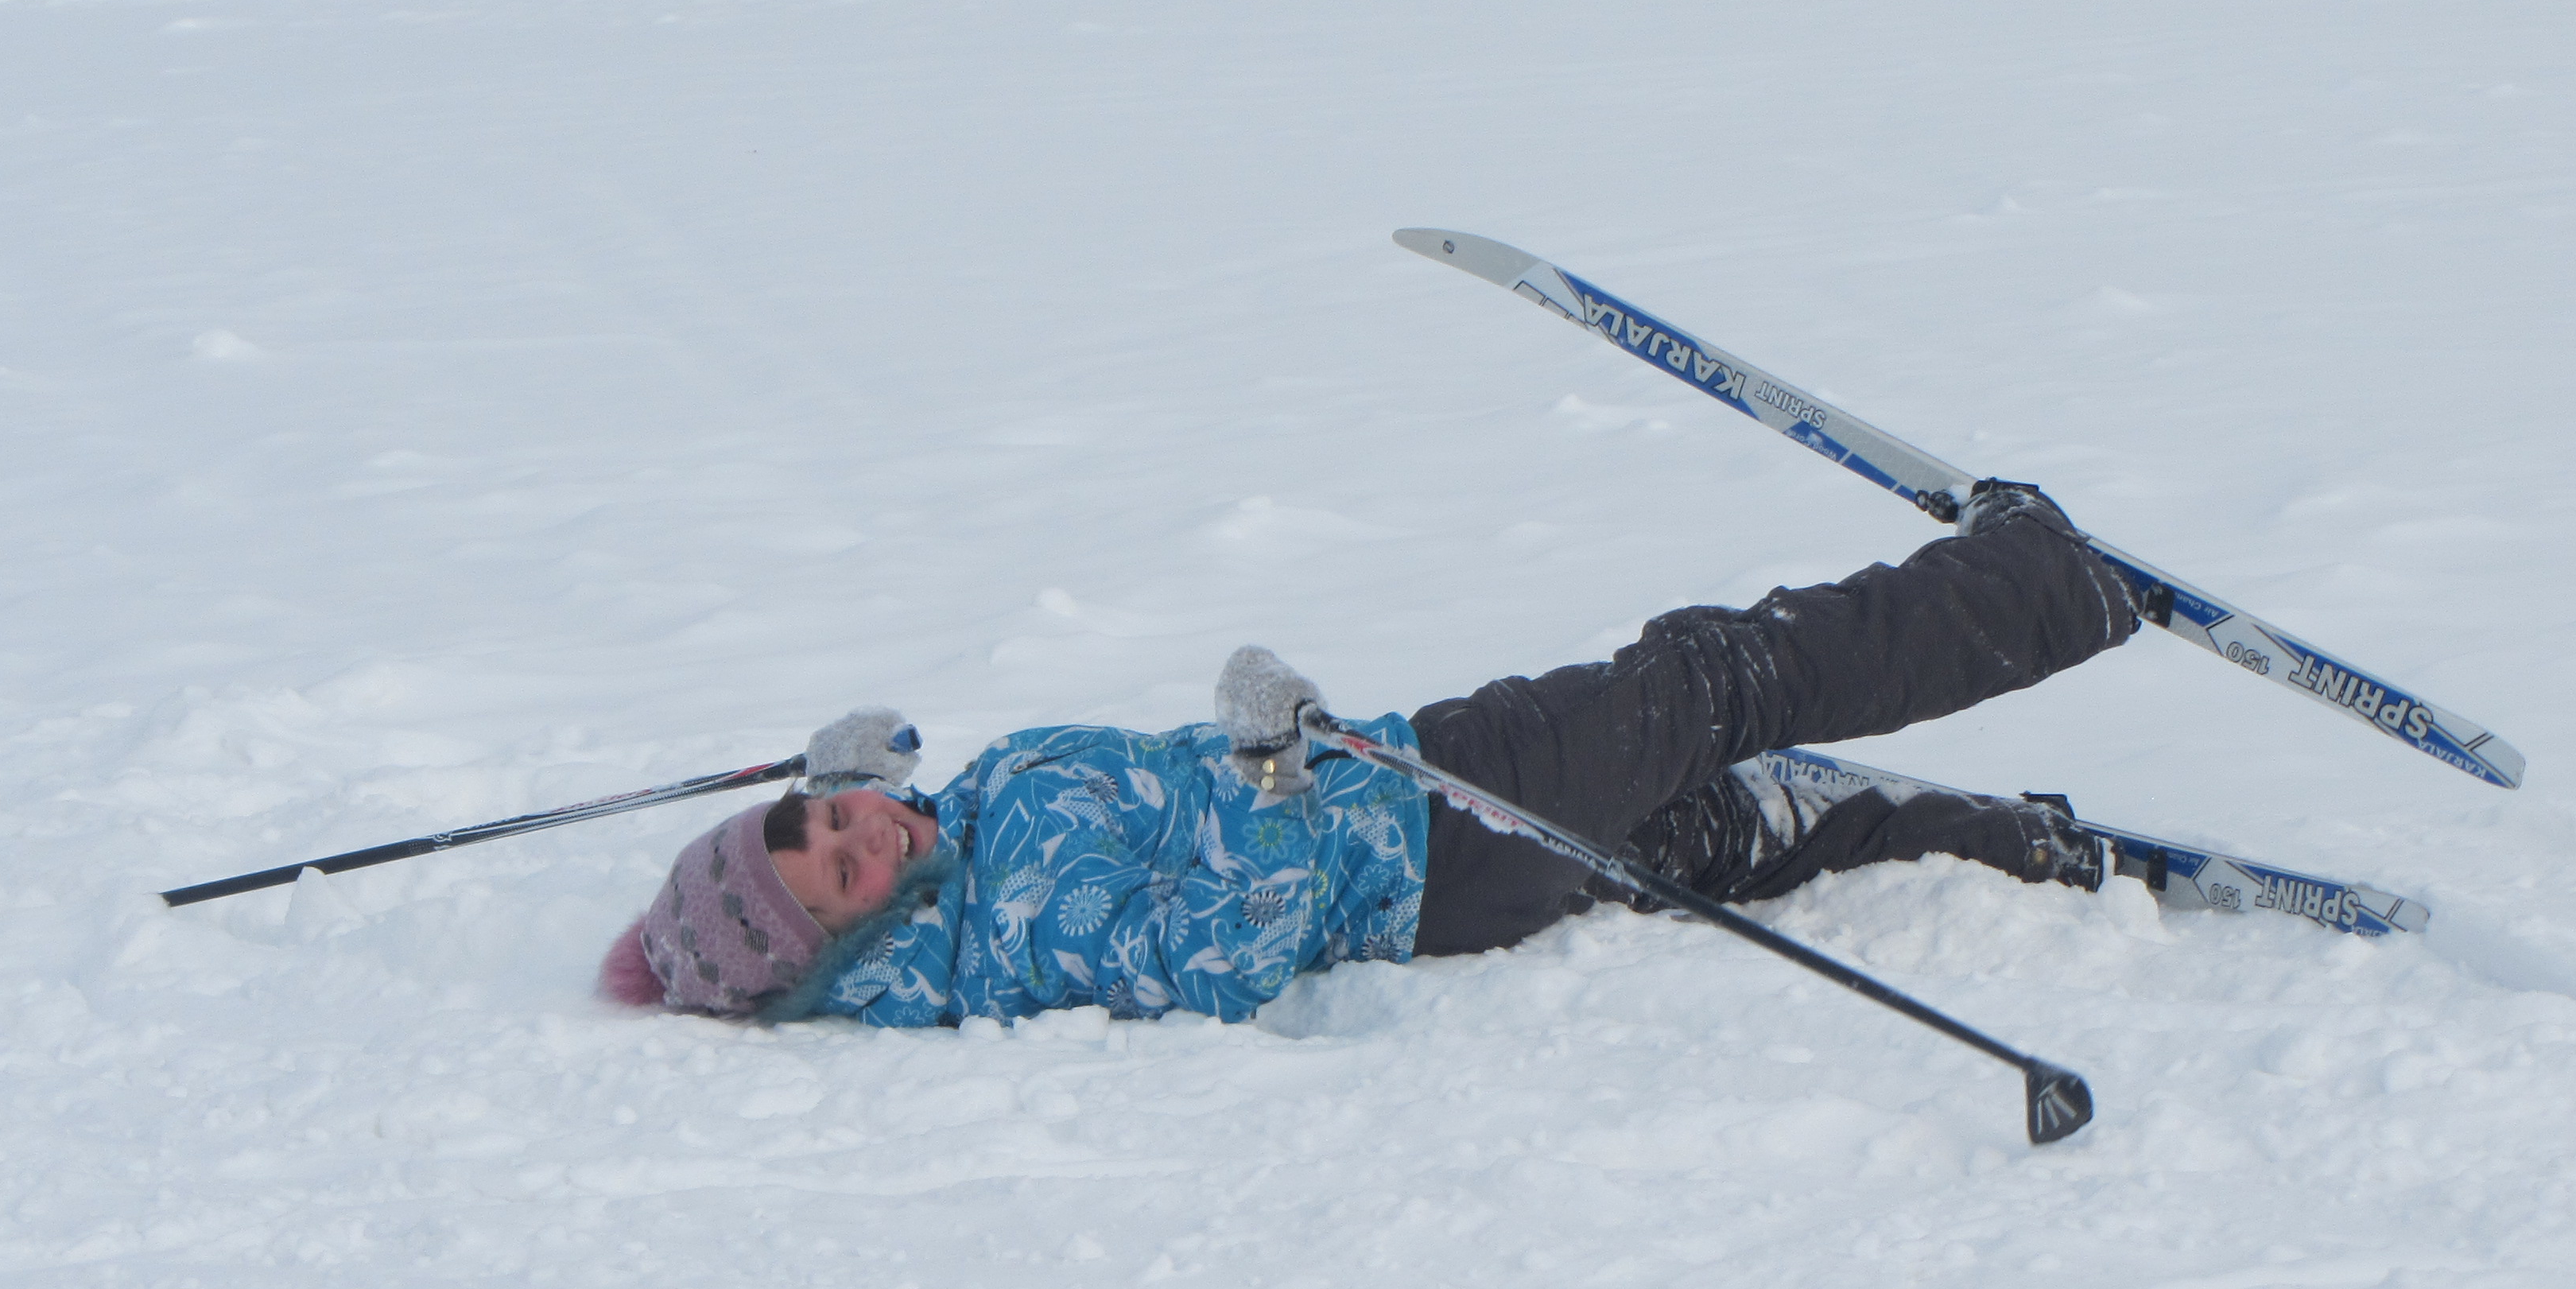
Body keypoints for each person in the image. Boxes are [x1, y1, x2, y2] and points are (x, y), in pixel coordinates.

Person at [599, 482, 2138, 1026]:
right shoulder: (1012, 936)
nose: (866, 842)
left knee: (1735, 825)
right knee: (1718, 681)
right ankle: (2040, 586)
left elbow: (913, 820)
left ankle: (2023, 853)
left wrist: (858, 770)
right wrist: (1270, 776)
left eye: (831, 825)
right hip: (1420, 823)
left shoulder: (937, 860)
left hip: (1435, 852)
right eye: (842, 873)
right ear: (842, 947)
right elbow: (1222, 964)